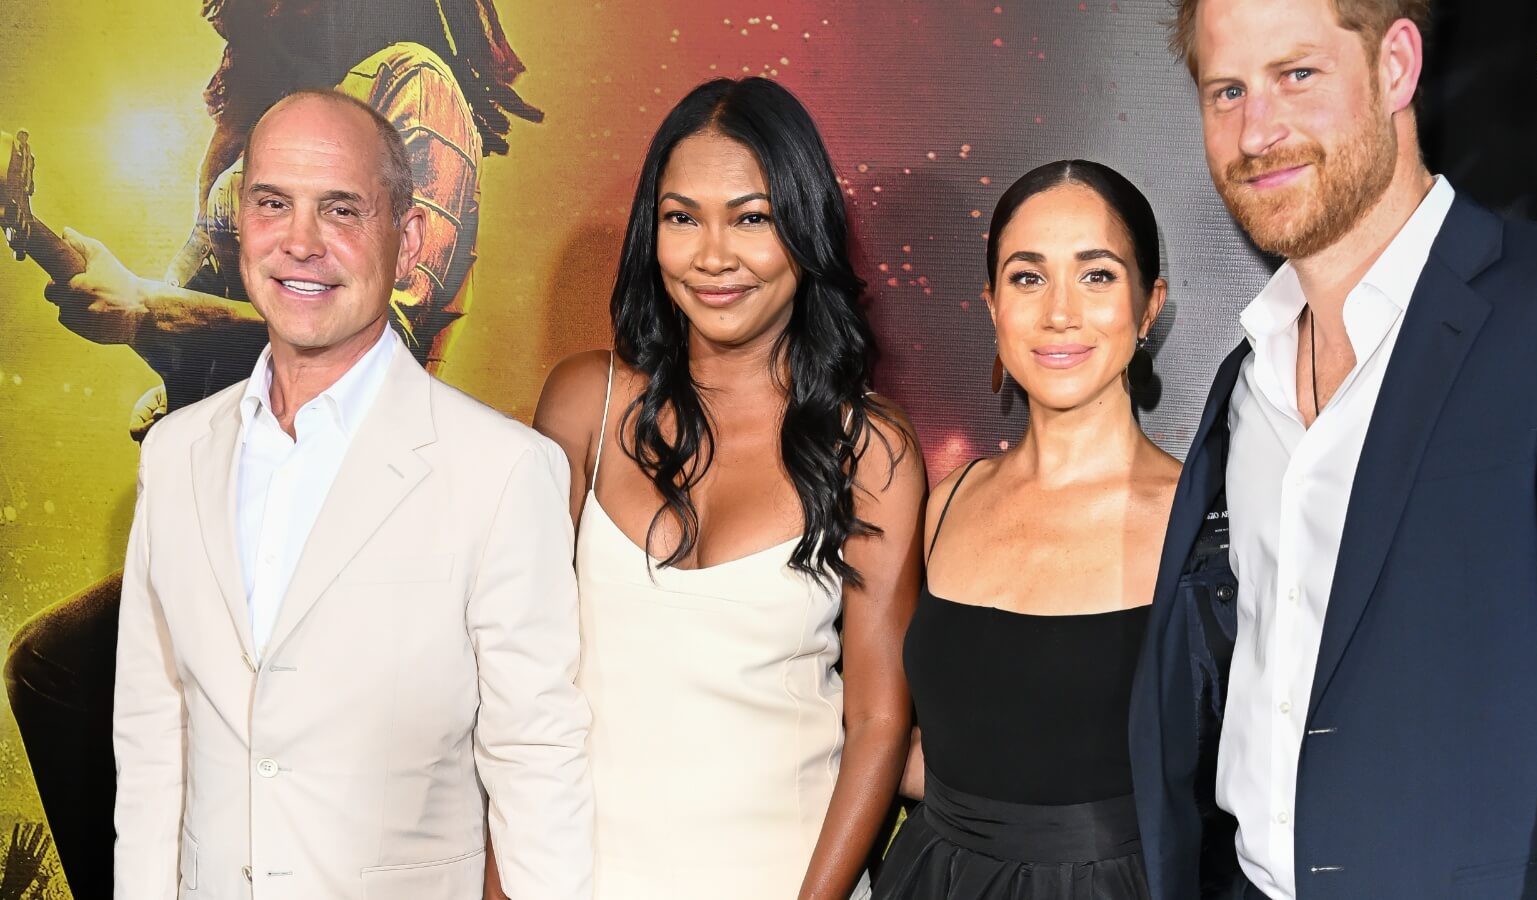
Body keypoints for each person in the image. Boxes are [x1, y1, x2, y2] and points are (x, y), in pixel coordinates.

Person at [1130, 0, 1537, 897]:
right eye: (1227, 90)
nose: (1257, 130)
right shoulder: (1243, 382)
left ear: (1396, 66)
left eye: (1297, 74)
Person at [7, 4, 539, 893]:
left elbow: (386, 343)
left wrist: (144, 307)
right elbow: (185, 314)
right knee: (56, 673)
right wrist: (60, 253)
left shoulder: (414, 85)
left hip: (366, 525)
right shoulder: (265, 110)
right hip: (243, 531)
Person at [111, 89, 592, 898]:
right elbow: (156, 737)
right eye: (272, 204)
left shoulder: (504, 471)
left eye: (340, 209)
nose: (300, 243)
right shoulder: (176, 454)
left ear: (405, 239)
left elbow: (536, 759)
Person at [531, 77, 923, 900]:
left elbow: (878, 723)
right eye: (683, 218)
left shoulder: (870, 451)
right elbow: (517, 680)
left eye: (752, 217)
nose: (714, 256)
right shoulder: (583, 406)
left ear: (805, 230)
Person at [876, 160, 1175, 900]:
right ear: (991, 305)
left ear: (1148, 306)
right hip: (931, 877)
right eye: (1028, 278)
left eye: (1098, 276)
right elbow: (921, 737)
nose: (1059, 313)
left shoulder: (1205, 521)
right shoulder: (942, 504)